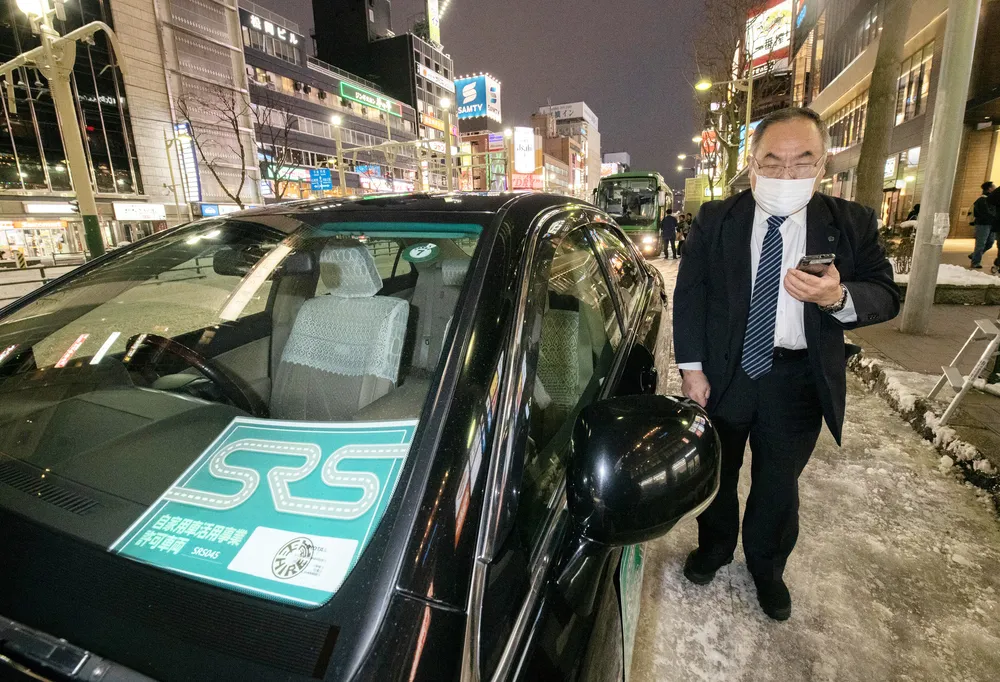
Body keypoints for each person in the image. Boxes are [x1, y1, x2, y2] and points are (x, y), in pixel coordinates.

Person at [673, 107, 899, 621]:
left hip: (797, 380)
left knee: (778, 484)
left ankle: (767, 567)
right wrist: (692, 368)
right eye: (772, 161)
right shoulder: (717, 218)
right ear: (752, 164)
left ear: (823, 164)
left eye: (801, 161)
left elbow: (885, 294)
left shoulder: (850, 223)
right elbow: (690, 296)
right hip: (726, 373)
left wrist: (837, 296)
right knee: (717, 473)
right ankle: (714, 548)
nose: (786, 173)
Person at [969, 182, 996, 269]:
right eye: (994, 187)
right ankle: (975, 262)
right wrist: (994, 217)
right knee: (981, 243)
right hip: (982, 224)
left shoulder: (992, 200)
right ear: (989, 189)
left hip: (991, 224)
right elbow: (985, 213)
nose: (995, 188)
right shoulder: (982, 200)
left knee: (990, 243)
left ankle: (974, 255)